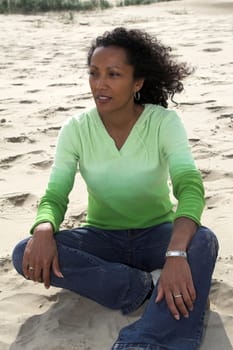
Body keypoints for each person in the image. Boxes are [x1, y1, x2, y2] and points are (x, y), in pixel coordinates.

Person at [12, 27, 218, 350]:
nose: (100, 84)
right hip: (102, 238)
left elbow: (189, 186)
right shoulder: (76, 130)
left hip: (157, 236)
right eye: (94, 73)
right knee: (24, 252)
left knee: (204, 241)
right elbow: (55, 194)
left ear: (138, 83)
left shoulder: (164, 123)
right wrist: (43, 227)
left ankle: (148, 338)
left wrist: (176, 252)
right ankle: (139, 287)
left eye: (113, 74)